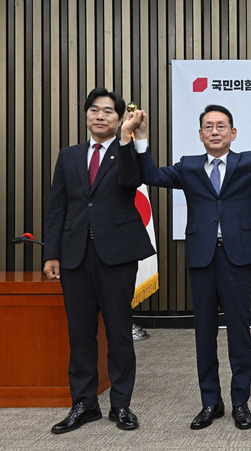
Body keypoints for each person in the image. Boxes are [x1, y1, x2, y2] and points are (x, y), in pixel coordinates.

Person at [121, 104, 251, 430]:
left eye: (221, 126)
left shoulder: (248, 162)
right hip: (202, 258)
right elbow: (150, 176)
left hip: (237, 258)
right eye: (208, 126)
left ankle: (241, 403)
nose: (214, 131)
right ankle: (211, 402)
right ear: (199, 134)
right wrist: (140, 137)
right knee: (204, 334)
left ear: (233, 133)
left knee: (240, 333)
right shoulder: (190, 167)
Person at [44, 87, 156, 434]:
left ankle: (120, 405)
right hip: (76, 255)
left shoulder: (129, 152)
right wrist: (52, 253)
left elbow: (129, 180)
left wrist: (127, 141)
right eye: (94, 110)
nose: (100, 116)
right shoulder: (69, 156)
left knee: (119, 332)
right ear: (86, 115)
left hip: (117, 254)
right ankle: (84, 403)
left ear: (119, 118)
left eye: (108, 111)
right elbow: (58, 207)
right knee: (80, 333)